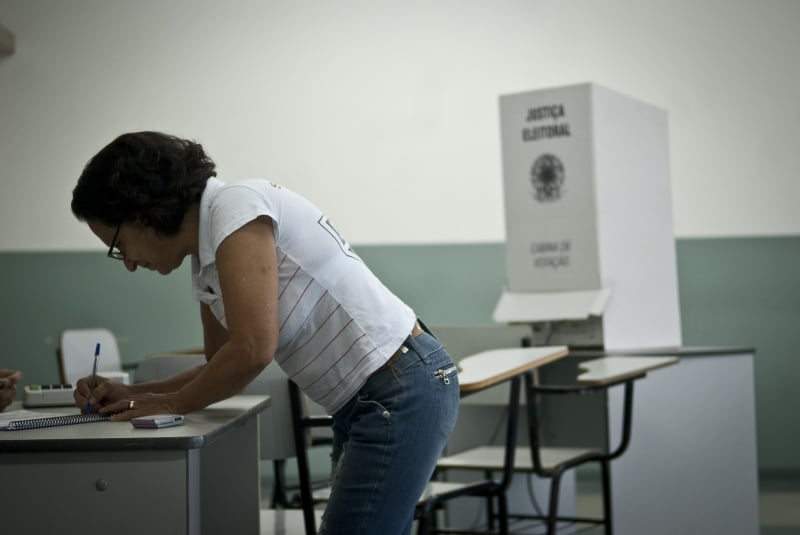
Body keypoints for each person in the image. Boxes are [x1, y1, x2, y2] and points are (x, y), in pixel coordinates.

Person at [70, 131, 460, 534]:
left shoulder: (234, 206)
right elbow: (222, 365)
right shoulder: (205, 259)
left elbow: (253, 351)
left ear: (141, 213)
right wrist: (136, 395)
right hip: (365, 399)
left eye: (118, 246)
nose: (129, 264)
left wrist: (170, 405)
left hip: (398, 386)